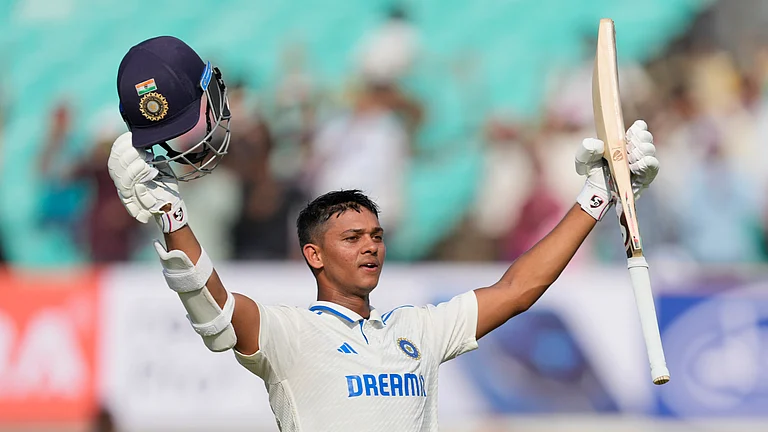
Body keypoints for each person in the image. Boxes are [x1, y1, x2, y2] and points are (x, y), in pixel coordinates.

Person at [107, 36, 660, 432]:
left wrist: (597, 195)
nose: (370, 245)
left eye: (374, 235)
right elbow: (216, 316)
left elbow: (518, 289)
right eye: (351, 238)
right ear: (313, 255)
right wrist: (170, 216)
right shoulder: (290, 335)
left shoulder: (418, 329)